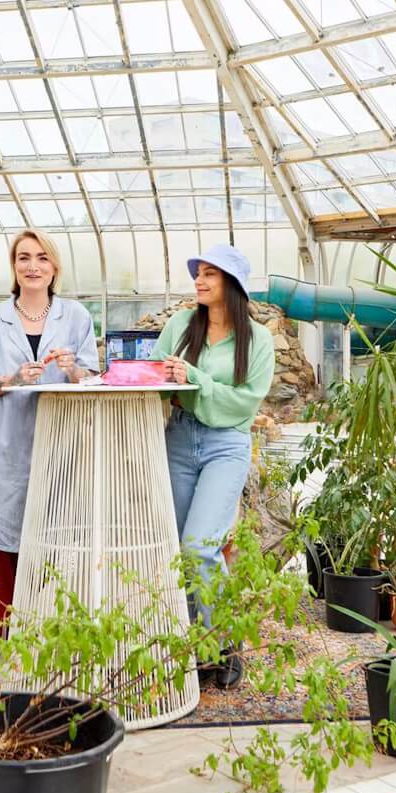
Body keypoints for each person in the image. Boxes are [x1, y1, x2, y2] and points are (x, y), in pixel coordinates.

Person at [153, 244, 275, 689]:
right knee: (179, 552)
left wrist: (196, 379)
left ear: (232, 284)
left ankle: (223, 643)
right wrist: (161, 380)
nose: (199, 281)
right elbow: (158, 377)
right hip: (180, 437)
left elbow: (245, 401)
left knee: (198, 547)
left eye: (210, 274)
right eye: (198, 273)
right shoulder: (181, 326)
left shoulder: (257, 341)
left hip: (227, 445)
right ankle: (195, 646)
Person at [0, 229, 98, 630]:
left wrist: (73, 367)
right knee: (0, 540)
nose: (32, 266)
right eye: (23, 258)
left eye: (41, 257)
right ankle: (9, 634)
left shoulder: (76, 317)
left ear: (54, 267)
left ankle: (40, 626)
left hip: (56, 444)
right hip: (2, 444)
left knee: (52, 532)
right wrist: (15, 378)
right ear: (14, 266)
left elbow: (90, 379)